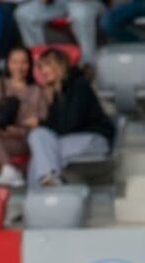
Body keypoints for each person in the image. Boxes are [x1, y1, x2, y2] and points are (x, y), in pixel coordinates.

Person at [27, 47, 114, 188]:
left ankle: (44, 195)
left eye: (46, 65)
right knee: (38, 138)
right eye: (40, 67)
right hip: (70, 140)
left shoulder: (79, 85)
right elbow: (56, 127)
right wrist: (42, 124)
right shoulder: (56, 93)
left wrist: (40, 122)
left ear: (59, 65)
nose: (43, 71)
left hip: (93, 139)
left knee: (44, 154)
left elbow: (70, 125)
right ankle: (47, 189)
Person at [0, 46, 46, 187]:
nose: (19, 66)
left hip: (20, 139)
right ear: (8, 64)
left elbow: (38, 121)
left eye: (24, 62)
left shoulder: (37, 91)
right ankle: (7, 169)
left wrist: (14, 128)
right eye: (15, 62)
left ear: (30, 65)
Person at [16, 0, 102, 66]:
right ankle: (39, 58)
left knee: (80, 14)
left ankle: (88, 63)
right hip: (58, 3)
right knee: (23, 13)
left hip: (86, 4)